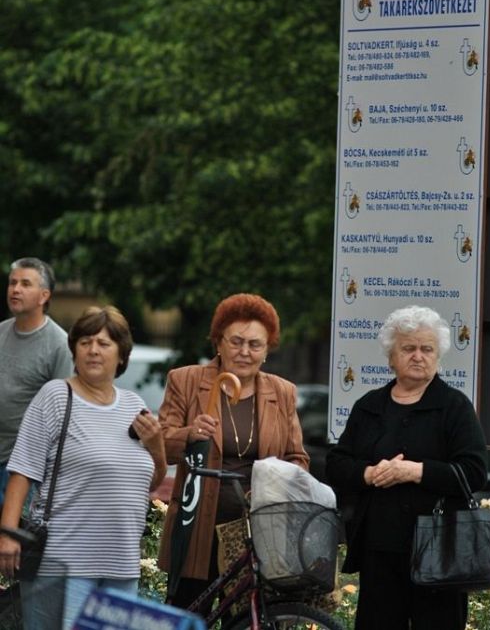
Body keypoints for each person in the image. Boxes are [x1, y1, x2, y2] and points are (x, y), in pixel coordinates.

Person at [0, 305, 167, 630]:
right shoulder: (55, 397)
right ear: (74, 350)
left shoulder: (134, 406)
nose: (93, 350)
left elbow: (147, 484)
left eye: (104, 343)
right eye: (85, 342)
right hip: (63, 562)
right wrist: (8, 536)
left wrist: (157, 448)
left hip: (121, 564)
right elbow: (22, 471)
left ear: (122, 355)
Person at [326, 305, 487, 630]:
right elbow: (336, 464)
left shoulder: (454, 406)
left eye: (427, 349)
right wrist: (369, 474)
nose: (418, 356)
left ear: (438, 356)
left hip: (439, 549)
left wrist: (414, 471)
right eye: (408, 348)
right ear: (391, 357)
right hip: (379, 546)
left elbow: (473, 471)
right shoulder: (369, 405)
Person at [157, 292, 309, 612]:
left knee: (245, 618)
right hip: (197, 529)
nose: (244, 352)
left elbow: (297, 459)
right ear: (219, 343)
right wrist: (189, 434)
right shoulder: (185, 381)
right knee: (189, 615)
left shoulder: (283, 392)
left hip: (256, 533)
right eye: (236, 341)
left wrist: (281, 483)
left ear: (267, 350)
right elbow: (161, 445)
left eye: (255, 344)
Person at [0, 257, 73, 508]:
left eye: (25, 284)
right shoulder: (1, 332)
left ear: (44, 296)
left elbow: (62, 415)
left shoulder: (59, 345)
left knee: (14, 531)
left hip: (23, 467)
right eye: (12, 283)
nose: (15, 289)